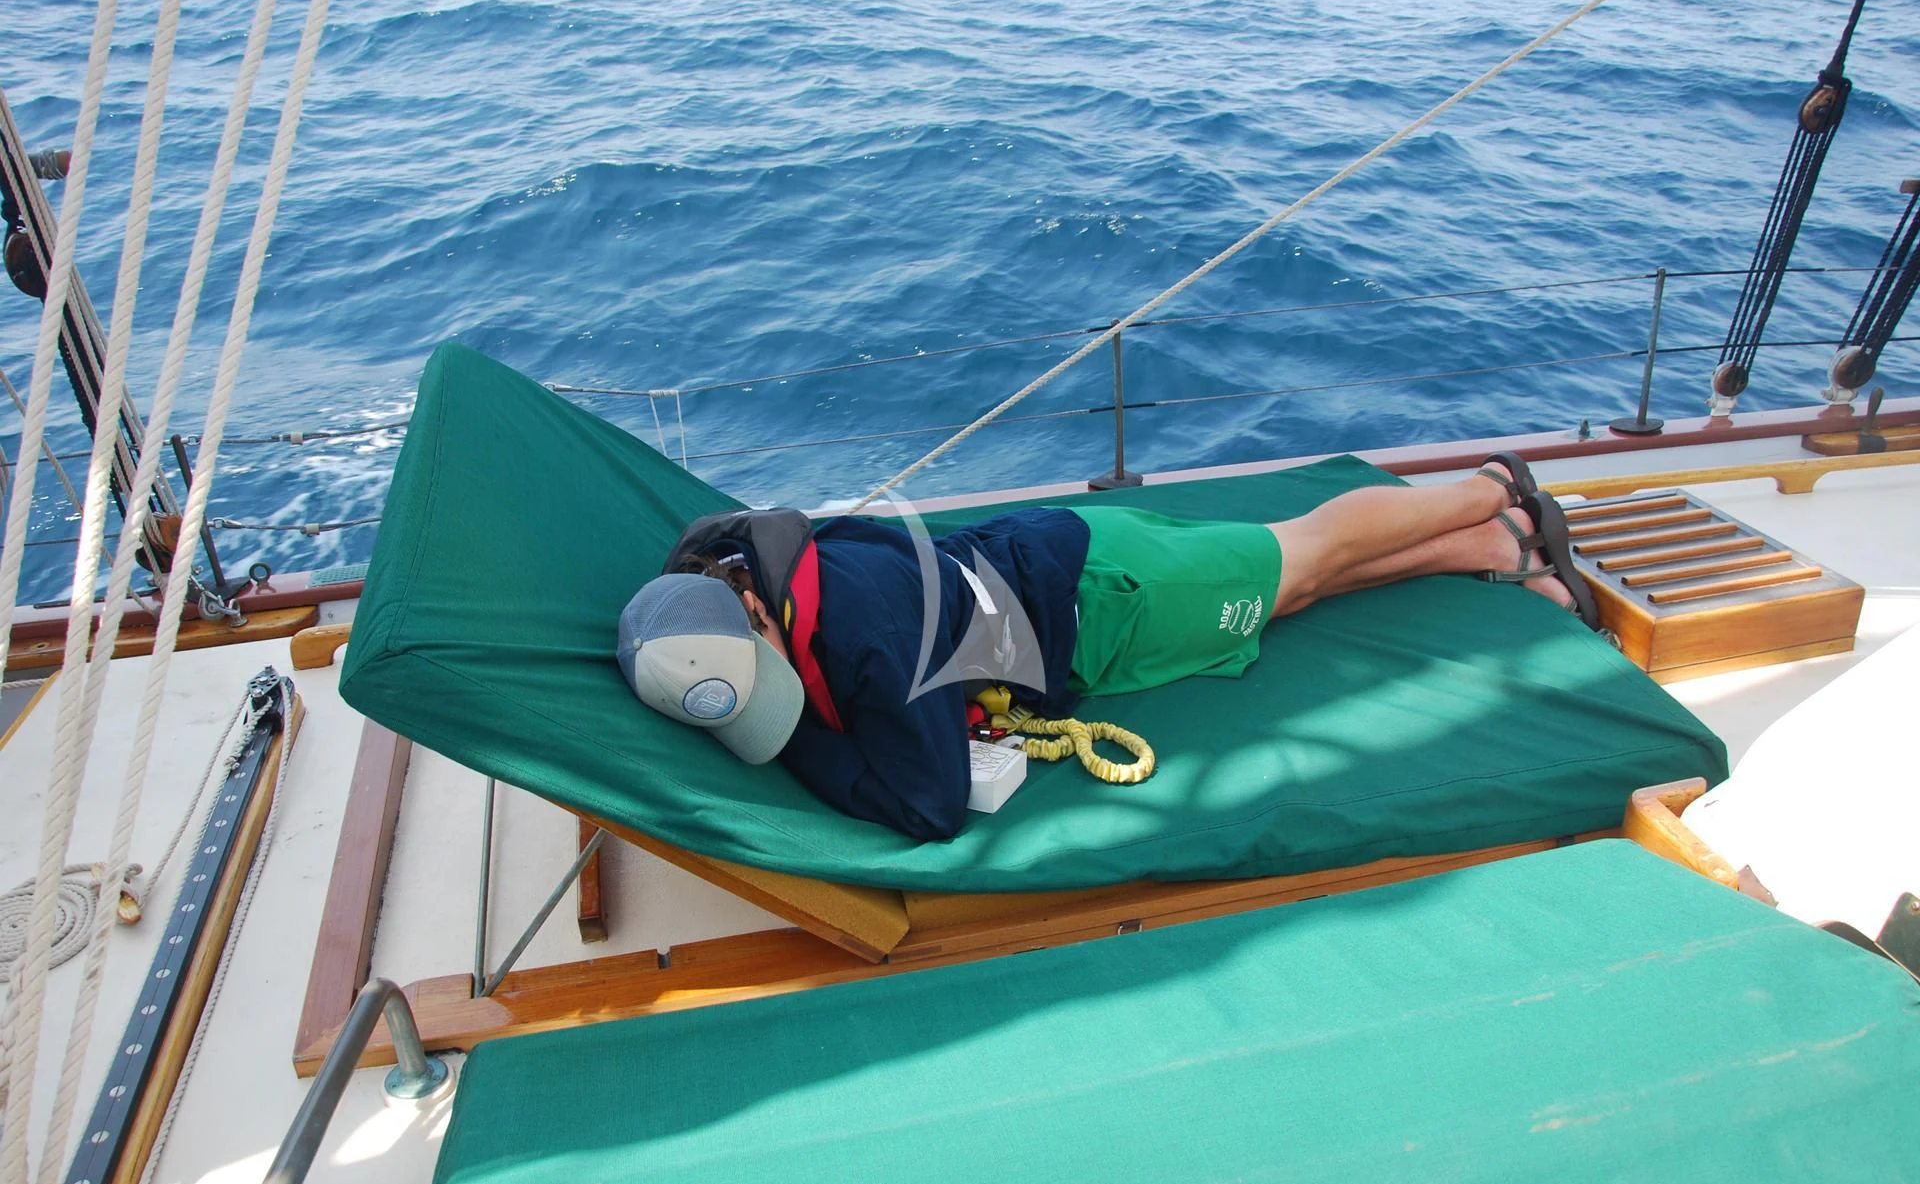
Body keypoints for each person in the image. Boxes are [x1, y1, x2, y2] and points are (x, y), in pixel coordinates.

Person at [615, 453, 1599, 841]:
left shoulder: (869, 634)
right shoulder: (753, 558)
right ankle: (1492, 549)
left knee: (1301, 556)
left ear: (752, 618)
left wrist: (798, 741)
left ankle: (1495, 490)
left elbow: (929, 803)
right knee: (1287, 595)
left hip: (1111, 597)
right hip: (1060, 567)